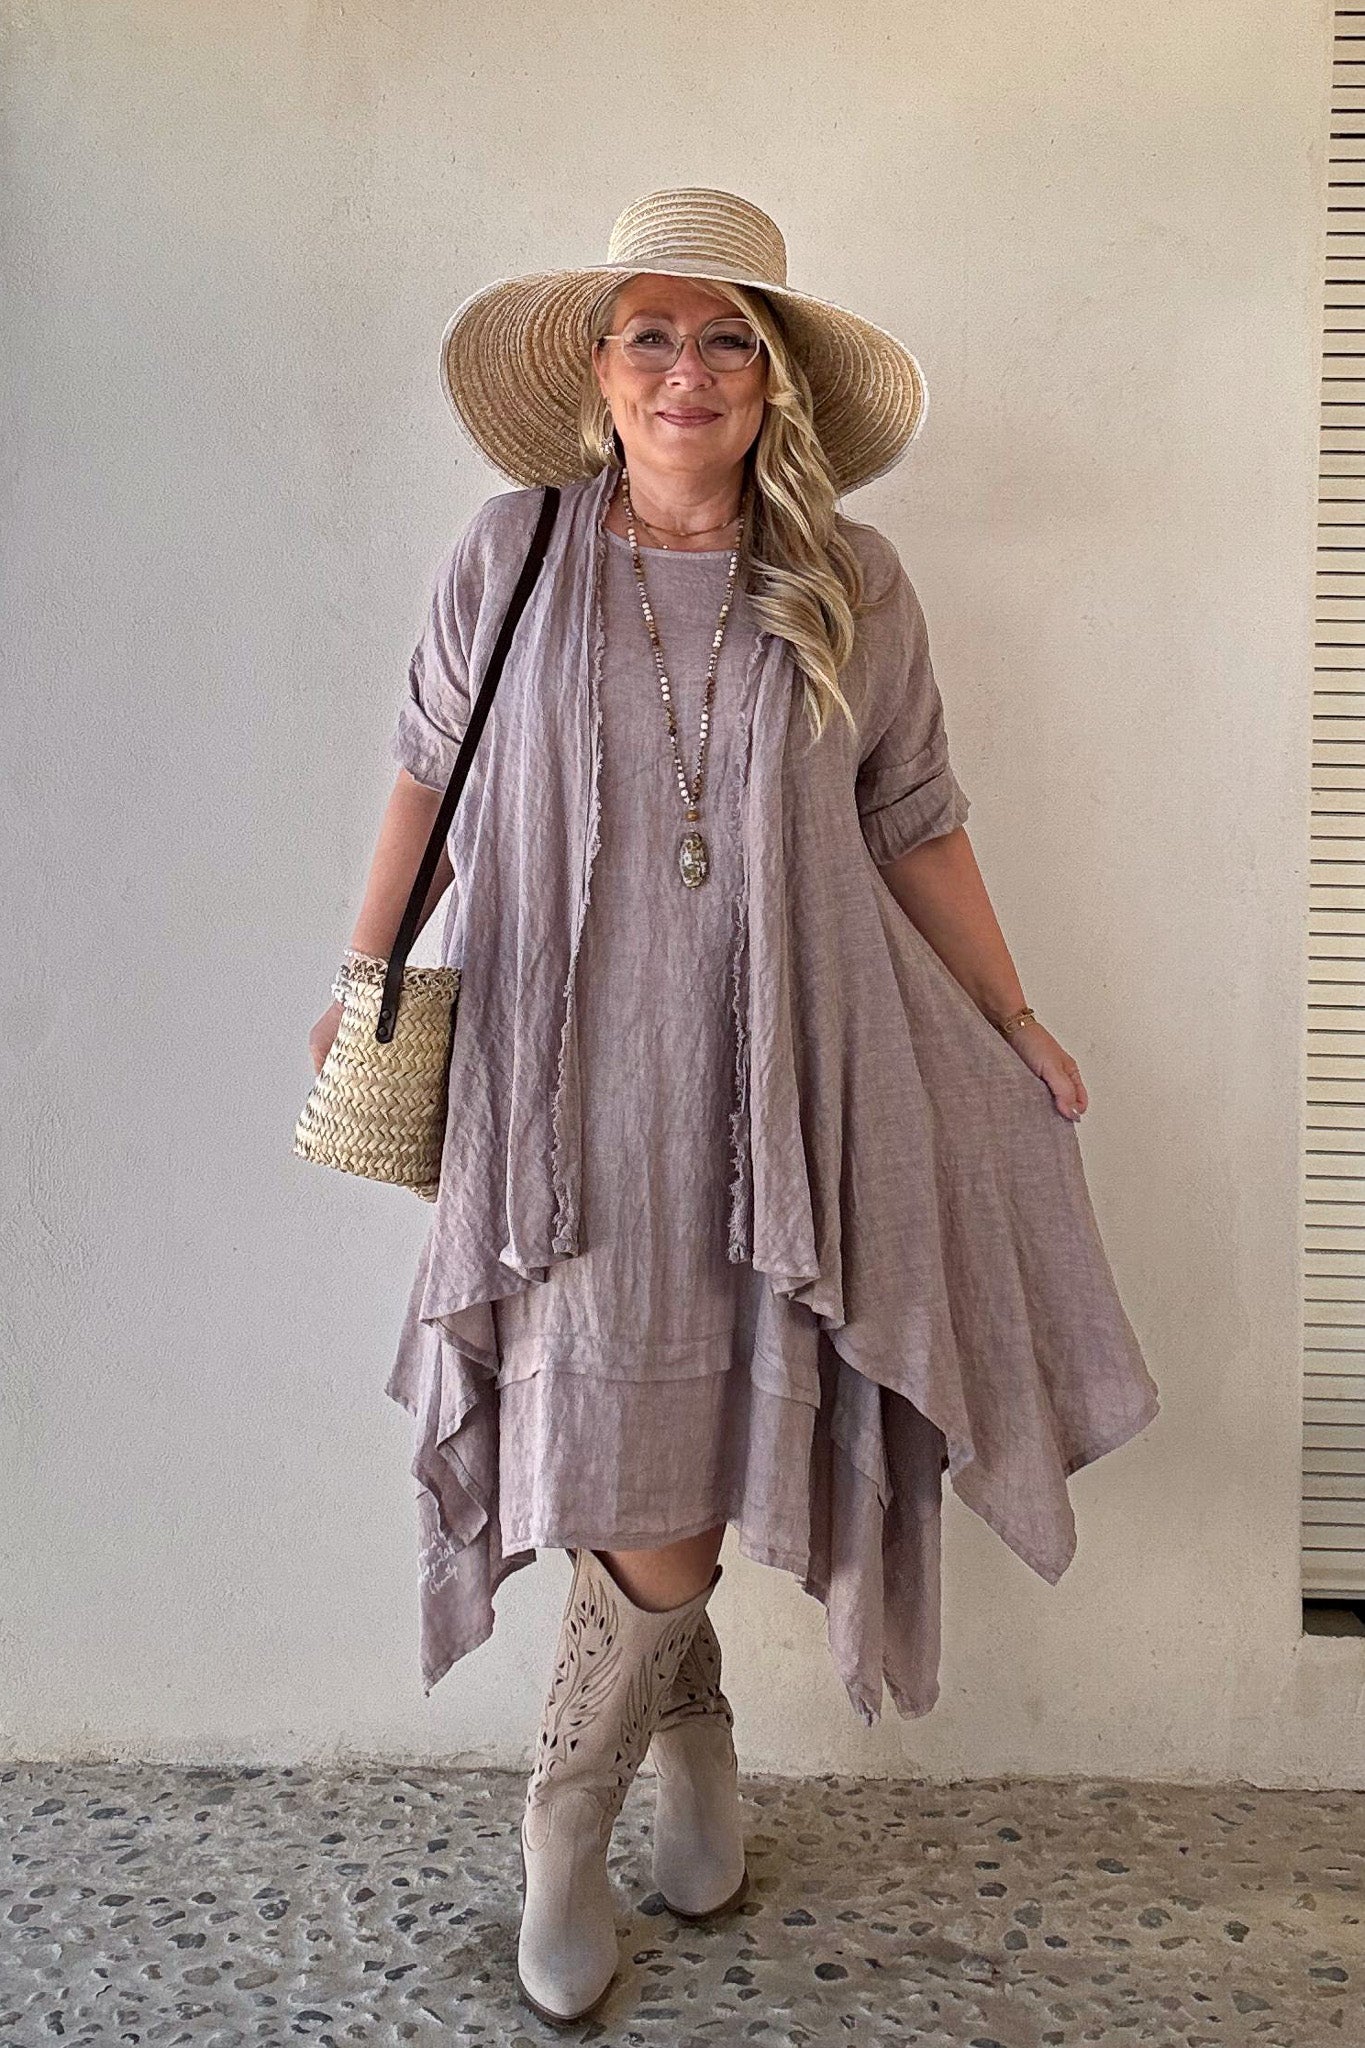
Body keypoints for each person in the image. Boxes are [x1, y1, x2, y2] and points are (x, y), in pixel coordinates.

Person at [307, 186, 1160, 2026]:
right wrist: (363, 971)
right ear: (595, 369)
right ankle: (582, 1814)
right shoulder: (512, 550)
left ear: (771, 381)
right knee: (634, 1435)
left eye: (724, 340)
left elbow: (912, 816)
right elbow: (426, 776)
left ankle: (657, 1769)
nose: (683, 370)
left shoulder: (852, 577)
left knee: (677, 1433)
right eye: (649, 335)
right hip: (566, 1077)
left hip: (787, 1067)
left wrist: (1012, 1015)